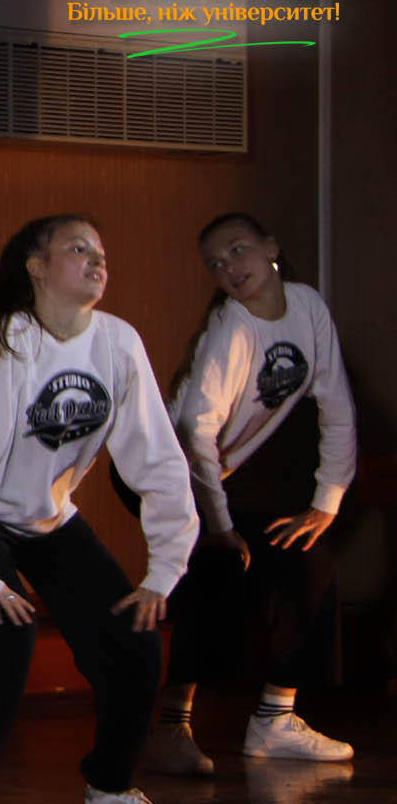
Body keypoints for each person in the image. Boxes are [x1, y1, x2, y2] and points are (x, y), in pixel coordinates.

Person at [0, 215, 197, 804]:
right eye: (78, 248)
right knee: (11, 639)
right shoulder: (8, 342)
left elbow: (158, 460)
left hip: (50, 519)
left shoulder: (117, 341)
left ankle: (111, 790)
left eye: (101, 251)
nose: (97, 260)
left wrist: (163, 569)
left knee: (136, 644)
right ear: (36, 267)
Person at [143, 213, 356, 774]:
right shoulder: (232, 330)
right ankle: (171, 730)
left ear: (270, 246)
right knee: (215, 568)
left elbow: (336, 404)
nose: (229, 268)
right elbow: (194, 433)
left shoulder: (307, 307)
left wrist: (325, 502)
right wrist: (218, 527)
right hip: (168, 467)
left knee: (309, 560)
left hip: (223, 467)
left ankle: (274, 721)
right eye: (215, 264)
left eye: (237, 251)